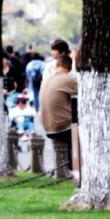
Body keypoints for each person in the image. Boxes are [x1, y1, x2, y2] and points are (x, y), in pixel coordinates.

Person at [39, 49, 78, 178]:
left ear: (57, 65)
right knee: (84, 132)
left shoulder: (47, 78)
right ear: (70, 66)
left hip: (46, 125)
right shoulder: (69, 80)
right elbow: (83, 98)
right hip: (61, 127)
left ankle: (67, 169)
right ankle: (77, 169)